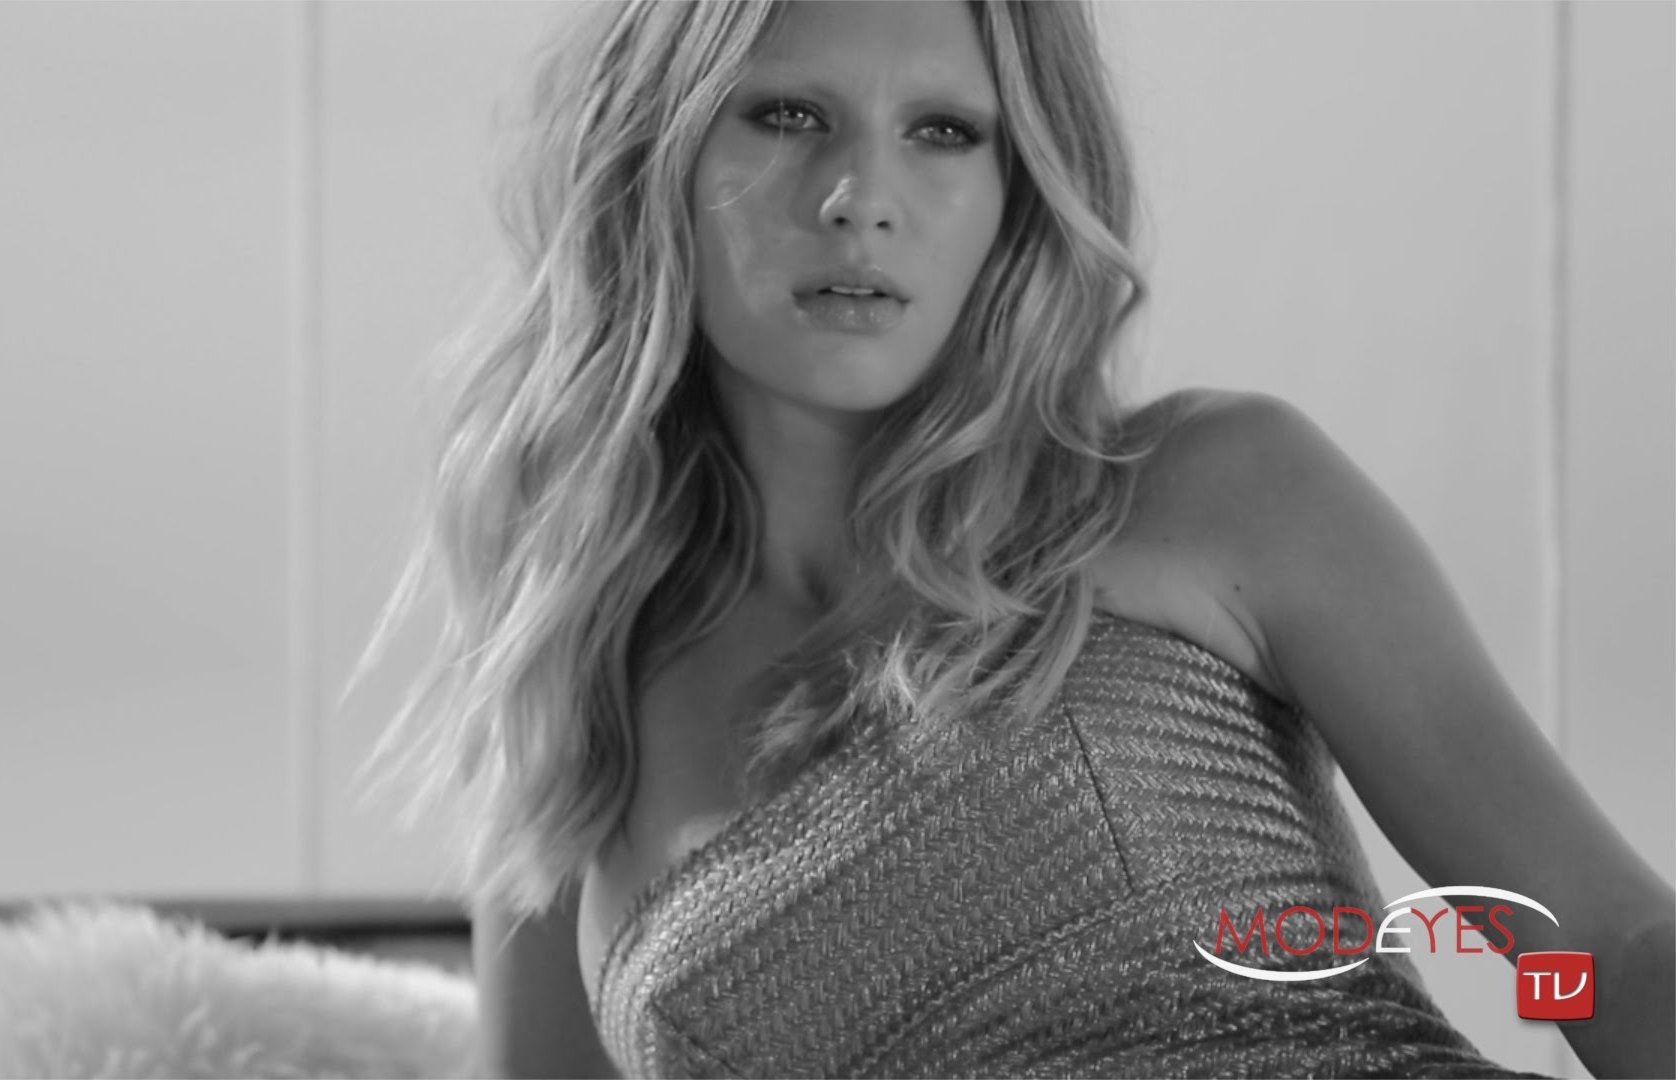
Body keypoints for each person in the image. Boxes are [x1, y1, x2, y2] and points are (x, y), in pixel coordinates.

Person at [341, 1, 1675, 1076]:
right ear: (657, 156)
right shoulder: (569, 707)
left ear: (1015, 188)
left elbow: (1598, 948)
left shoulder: (1217, 493)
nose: (860, 195)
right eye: (787, 114)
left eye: (944, 130)